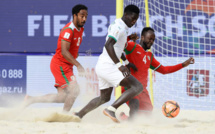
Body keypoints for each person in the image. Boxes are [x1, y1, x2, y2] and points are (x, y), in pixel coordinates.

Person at [75, 5, 142, 123]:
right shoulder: (119, 27)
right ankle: (111, 109)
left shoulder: (123, 26)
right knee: (137, 86)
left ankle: (79, 115)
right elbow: (108, 45)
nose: (134, 21)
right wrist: (119, 65)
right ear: (126, 15)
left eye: (136, 19)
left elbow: (118, 47)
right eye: (132, 18)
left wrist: (126, 62)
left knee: (104, 97)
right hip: (108, 66)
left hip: (103, 65)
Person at [23, 4, 88, 112]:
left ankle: (31, 99)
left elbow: (71, 49)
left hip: (65, 65)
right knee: (75, 90)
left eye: (86, 16)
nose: (84, 19)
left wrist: (74, 55)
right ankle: (64, 115)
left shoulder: (80, 29)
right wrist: (78, 64)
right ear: (75, 15)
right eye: (82, 16)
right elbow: (64, 51)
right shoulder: (68, 30)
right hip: (60, 65)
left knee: (62, 97)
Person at [120, 27, 195, 120]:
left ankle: (123, 117)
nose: (151, 42)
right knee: (135, 105)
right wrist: (128, 38)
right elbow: (118, 45)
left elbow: (164, 70)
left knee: (146, 114)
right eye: (150, 38)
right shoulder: (133, 46)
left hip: (142, 91)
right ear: (142, 38)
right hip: (130, 87)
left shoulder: (149, 56)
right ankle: (128, 121)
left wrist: (183, 64)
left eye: (153, 40)